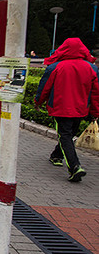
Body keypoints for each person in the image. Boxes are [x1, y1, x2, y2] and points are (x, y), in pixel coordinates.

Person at [35, 37, 99, 182]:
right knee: (68, 135)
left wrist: (38, 102)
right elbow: (96, 93)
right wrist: (95, 112)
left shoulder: (55, 67)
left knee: (65, 135)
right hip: (81, 109)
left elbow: (44, 88)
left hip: (60, 108)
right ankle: (56, 156)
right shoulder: (92, 68)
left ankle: (75, 166)